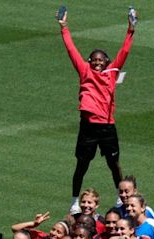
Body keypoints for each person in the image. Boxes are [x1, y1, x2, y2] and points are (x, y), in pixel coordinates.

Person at [56, 8, 137, 215]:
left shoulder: (112, 73)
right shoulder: (84, 71)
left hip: (108, 126)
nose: (97, 63)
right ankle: (75, 200)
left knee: (114, 163)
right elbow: (71, 50)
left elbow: (124, 52)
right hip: (88, 126)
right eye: (94, 60)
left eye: (101, 60)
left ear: (107, 63)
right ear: (89, 62)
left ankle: (121, 198)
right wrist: (64, 27)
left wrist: (131, 30)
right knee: (82, 164)